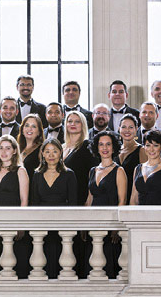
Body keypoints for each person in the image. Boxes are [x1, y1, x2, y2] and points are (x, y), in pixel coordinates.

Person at [30, 138, 77, 278]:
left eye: (55, 151)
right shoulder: (37, 175)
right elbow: (34, 203)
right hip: (42, 224)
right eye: (48, 151)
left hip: (63, 223)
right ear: (42, 154)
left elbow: (73, 203)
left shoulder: (69, 174)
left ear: (61, 153)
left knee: (63, 261)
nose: (51, 155)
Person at [0, 135, 30, 278]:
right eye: (1, 148)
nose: (4, 151)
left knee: (13, 257)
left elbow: (24, 200)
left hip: (13, 218)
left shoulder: (20, 171)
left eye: (8, 148)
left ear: (14, 151)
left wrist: (21, 225)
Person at [87, 130, 126, 279]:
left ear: (114, 147)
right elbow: (89, 199)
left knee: (109, 263)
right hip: (94, 223)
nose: (105, 148)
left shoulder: (119, 171)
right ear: (96, 148)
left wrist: (116, 227)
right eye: (101, 144)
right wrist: (85, 225)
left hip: (110, 223)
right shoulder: (92, 171)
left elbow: (122, 201)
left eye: (108, 144)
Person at [129, 130, 161, 205]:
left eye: (155, 145)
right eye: (148, 145)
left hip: (160, 214)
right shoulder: (138, 168)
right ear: (144, 147)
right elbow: (134, 198)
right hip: (140, 214)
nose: (151, 149)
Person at [63, 111, 97, 206]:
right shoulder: (61, 147)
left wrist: (89, 199)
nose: (73, 124)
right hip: (62, 197)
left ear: (83, 125)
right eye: (70, 121)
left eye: (77, 121)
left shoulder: (88, 146)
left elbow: (93, 175)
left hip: (80, 196)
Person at [115, 113, 147, 205]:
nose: (127, 130)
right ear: (119, 129)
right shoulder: (114, 151)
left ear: (136, 129)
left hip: (133, 200)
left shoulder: (142, 150)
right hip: (115, 198)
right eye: (124, 127)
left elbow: (143, 180)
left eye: (131, 127)